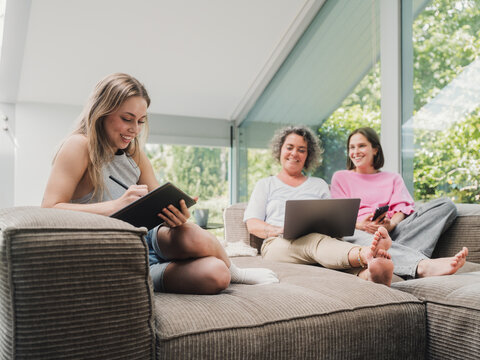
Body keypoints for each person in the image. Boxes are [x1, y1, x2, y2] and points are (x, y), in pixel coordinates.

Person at [41, 72, 278, 294]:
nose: (134, 130)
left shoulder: (134, 153)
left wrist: (176, 214)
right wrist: (114, 206)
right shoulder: (78, 146)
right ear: (102, 112)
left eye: (141, 121)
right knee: (217, 276)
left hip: (150, 236)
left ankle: (237, 272)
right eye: (127, 119)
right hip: (118, 251)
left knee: (193, 235)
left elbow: (155, 199)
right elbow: (49, 209)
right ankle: (164, 275)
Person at [244, 125, 395, 286]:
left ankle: (370, 274)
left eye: (301, 150)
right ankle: (365, 254)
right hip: (277, 244)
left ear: (308, 155)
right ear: (279, 150)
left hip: (321, 242)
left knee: (322, 247)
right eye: (289, 148)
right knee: (313, 242)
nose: (294, 153)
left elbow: (333, 219)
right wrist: (276, 229)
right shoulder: (266, 184)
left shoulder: (319, 185)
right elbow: (252, 223)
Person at [330, 127, 468, 278]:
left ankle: (392, 256)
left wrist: (391, 224)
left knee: (445, 205)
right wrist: (361, 225)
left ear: (375, 149)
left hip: (392, 233)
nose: (355, 152)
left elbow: (402, 209)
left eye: (361, 146)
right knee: (349, 234)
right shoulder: (341, 177)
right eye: (351, 147)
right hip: (359, 233)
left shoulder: (393, 178)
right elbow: (338, 216)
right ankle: (421, 266)